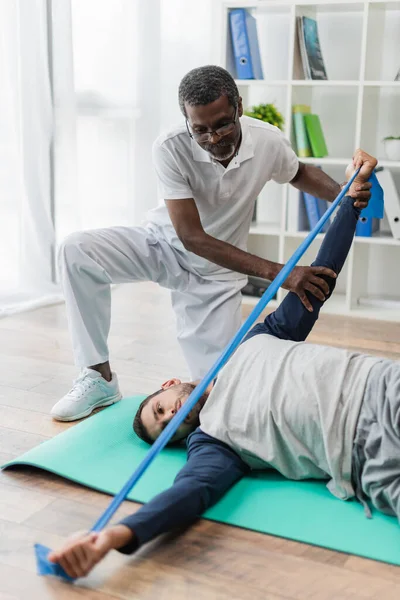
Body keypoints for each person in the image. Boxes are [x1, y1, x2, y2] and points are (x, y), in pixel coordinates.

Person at [49, 153, 400, 581]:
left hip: (380, 388)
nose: (170, 415)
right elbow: (187, 495)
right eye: (167, 427)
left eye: (159, 408)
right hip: (366, 463)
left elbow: (320, 278)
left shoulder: (252, 343)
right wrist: (114, 537)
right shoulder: (215, 445)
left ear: (170, 384)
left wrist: (349, 200)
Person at [51, 65, 372, 422]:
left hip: (215, 280)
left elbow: (298, 173)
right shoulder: (170, 147)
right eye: (200, 129)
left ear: (238, 106)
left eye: (222, 124)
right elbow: (191, 238)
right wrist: (282, 274)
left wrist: (346, 193)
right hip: (164, 246)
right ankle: (99, 378)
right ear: (186, 121)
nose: (214, 138)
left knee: (225, 391)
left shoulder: (266, 140)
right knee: (76, 250)